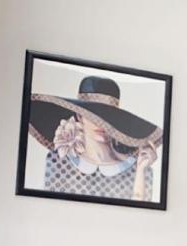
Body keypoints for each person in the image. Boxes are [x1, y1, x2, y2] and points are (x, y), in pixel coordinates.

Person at [29, 76, 163, 202]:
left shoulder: (139, 168)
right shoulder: (57, 161)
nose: (101, 124)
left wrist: (140, 171)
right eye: (92, 115)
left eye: (108, 116)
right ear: (79, 116)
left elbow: (140, 217)